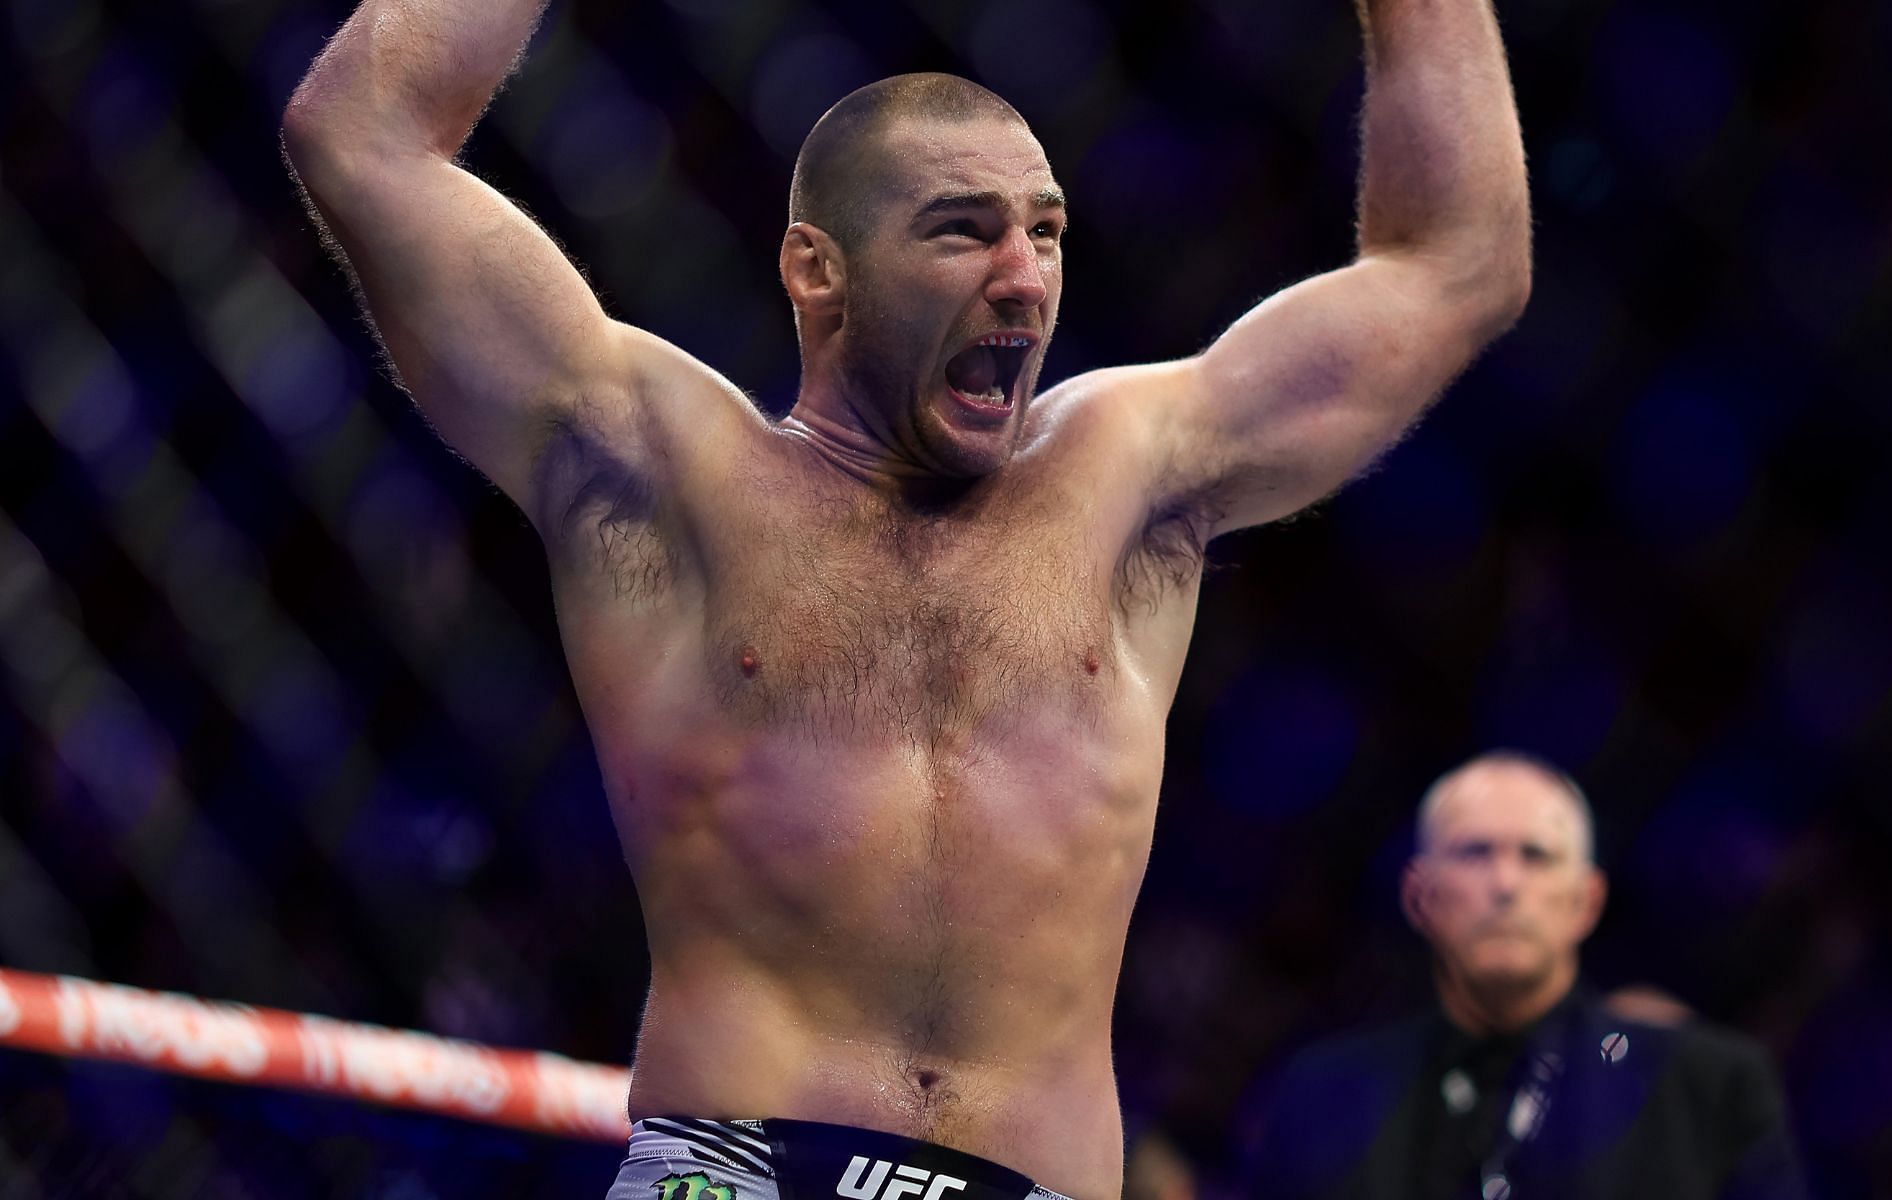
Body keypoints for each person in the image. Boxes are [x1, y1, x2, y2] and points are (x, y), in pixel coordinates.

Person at [279, 1, 1530, 1195]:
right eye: (961, 229)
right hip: (734, 1178)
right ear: (817, 271)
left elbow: (1454, 265)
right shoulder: (666, 473)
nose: (1025, 277)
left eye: (1044, 230)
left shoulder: (1133, 477)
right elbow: (363, 138)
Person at [1237, 752, 1808, 1200]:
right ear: (1420, 896)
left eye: (1536, 856)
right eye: (1474, 853)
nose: (1506, 885)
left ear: (1586, 900)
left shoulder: (1708, 1087)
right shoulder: (1322, 1094)